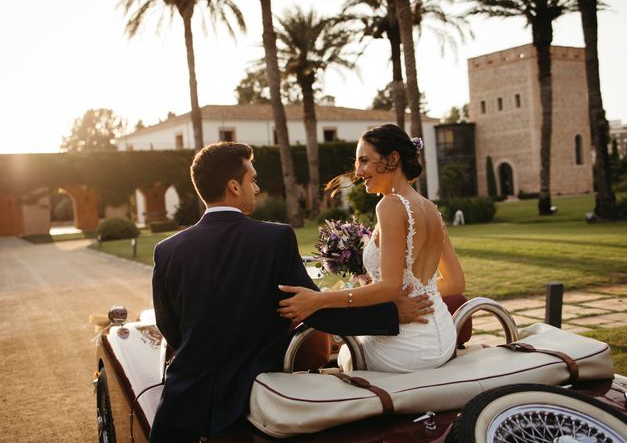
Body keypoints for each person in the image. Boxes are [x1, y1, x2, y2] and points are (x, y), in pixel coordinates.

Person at [149, 141, 432, 442]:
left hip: (182, 404)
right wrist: (391, 313)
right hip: (251, 402)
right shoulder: (274, 240)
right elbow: (316, 311)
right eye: (252, 180)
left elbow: (167, 325)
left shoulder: (167, 251)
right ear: (234, 186)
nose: (256, 188)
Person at [279, 124, 465, 373]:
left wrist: (318, 300)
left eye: (364, 161)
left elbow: (389, 287)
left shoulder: (389, 205)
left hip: (406, 348)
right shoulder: (430, 208)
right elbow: (455, 283)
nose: (357, 171)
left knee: (344, 352)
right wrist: (418, 296)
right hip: (443, 336)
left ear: (393, 159)